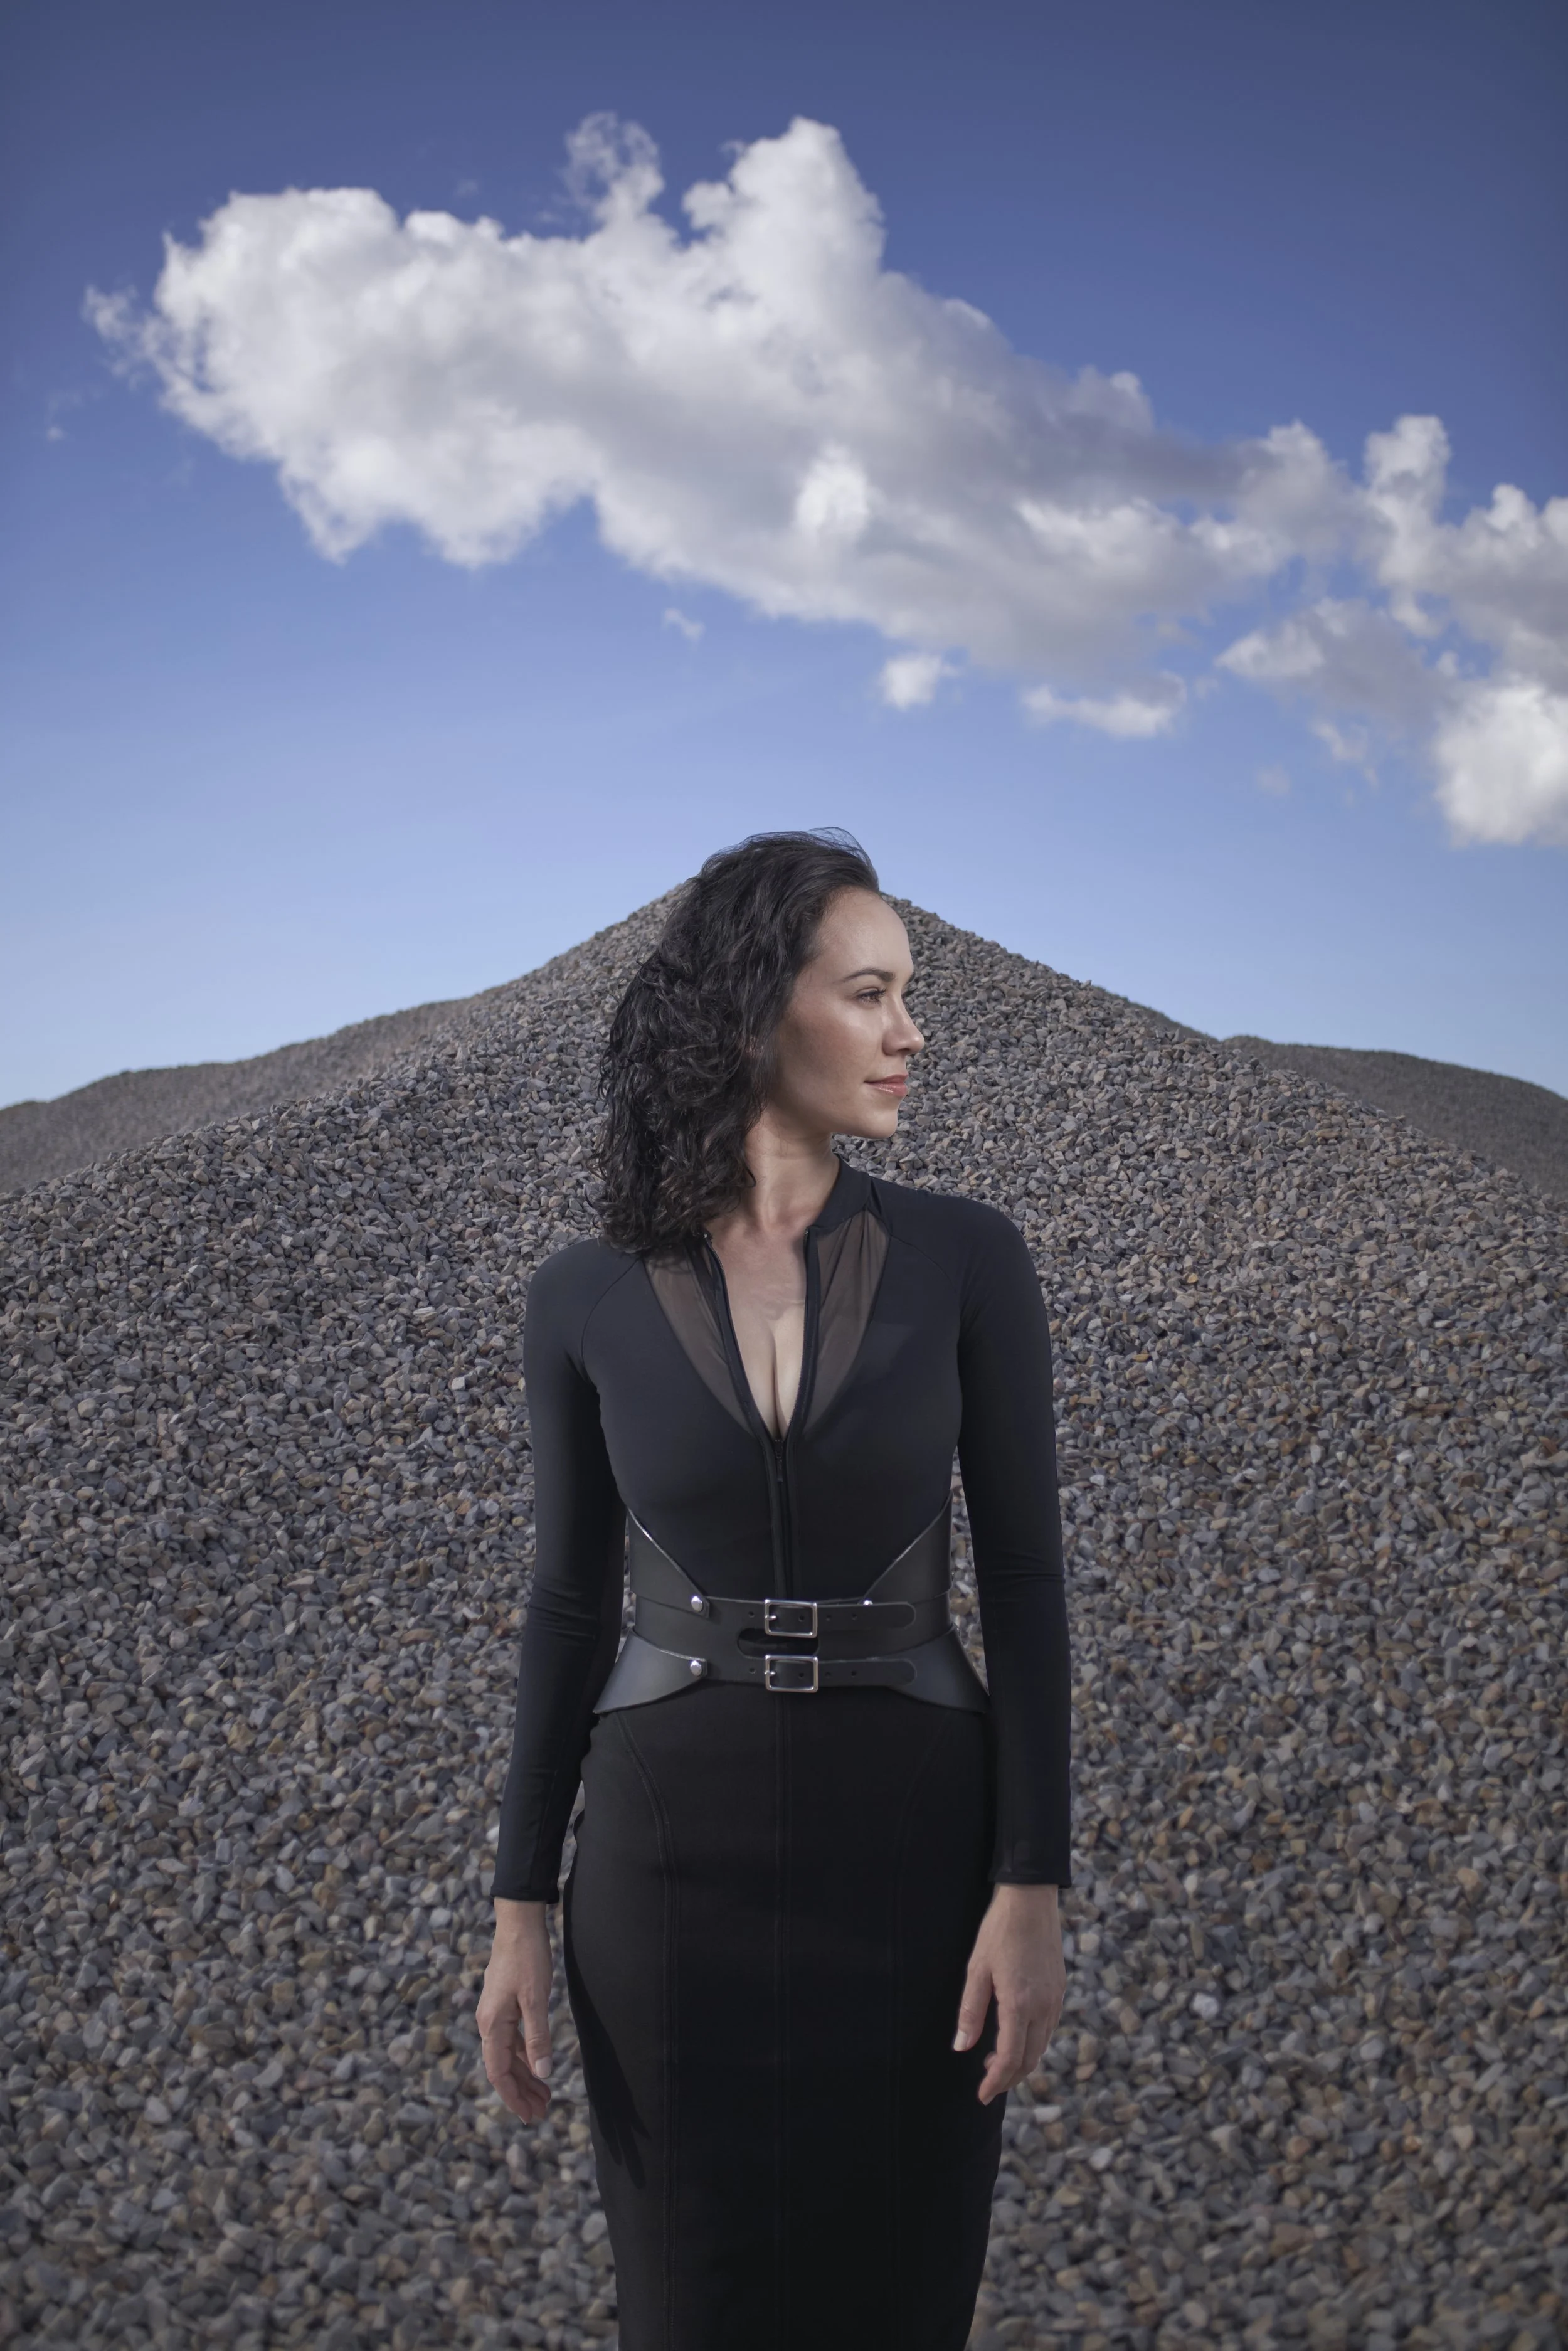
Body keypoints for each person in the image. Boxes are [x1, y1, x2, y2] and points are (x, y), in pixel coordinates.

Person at [477, 829, 1072, 2351]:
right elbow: (563, 1605)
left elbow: (1019, 1576)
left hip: (920, 1855)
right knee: (686, 2306)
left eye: (908, 995)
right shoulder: (580, 1294)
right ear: (755, 1012)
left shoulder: (970, 1259)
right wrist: (519, 1905)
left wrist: (1030, 1884)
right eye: (869, 994)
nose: (910, 1033)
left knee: (901, 2299)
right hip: (668, 1870)